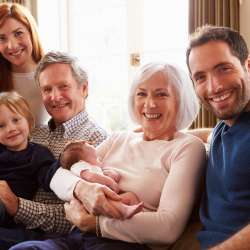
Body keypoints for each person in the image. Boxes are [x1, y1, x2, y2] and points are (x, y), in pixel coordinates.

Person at [12, 62, 206, 250]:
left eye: (162, 94)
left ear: (181, 100)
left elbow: (167, 228)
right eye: (141, 94)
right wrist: (81, 188)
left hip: (122, 243)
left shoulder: (187, 147)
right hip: (76, 237)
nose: (150, 103)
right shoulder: (119, 138)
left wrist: (96, 223)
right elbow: (59, 176)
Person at [0, 51, 115, 249]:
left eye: (64, 86)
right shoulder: (32, 135)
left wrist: (17, 206)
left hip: (51, 239)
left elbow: (76, 219)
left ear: (84, 88)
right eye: (47, 89)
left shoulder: (96, 141)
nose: (55, 97)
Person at [185, 25, 250, 249]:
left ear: (247, 66)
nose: (214, 86)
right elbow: (209, 134)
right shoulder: (227, 125)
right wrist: (157, 132)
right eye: (200, 77)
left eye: (223, 69)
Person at [0, 91, 58, 227]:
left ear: (28, 121)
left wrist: (66, 161)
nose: (11, 129)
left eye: (16, 120)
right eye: (1, 126)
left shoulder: (38, 154)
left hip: (8, 212)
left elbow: (50, 177)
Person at [60, 141, 144, 219]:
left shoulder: (90, 168)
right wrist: (111, 183)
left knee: (130, 196)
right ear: (82, 161)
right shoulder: (78, 166)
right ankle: (125, 210)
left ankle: (140, 217)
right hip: (94, 199)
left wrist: (110, 174)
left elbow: (99, 175)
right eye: (96, 158)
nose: (99, 160)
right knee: (126, 198)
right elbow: (90, 177)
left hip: (101, 198)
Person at [0, 2, 49, 125]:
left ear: (31, 32)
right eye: (2, 38)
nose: (12, 46)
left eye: (18, 33)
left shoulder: (51, 72)